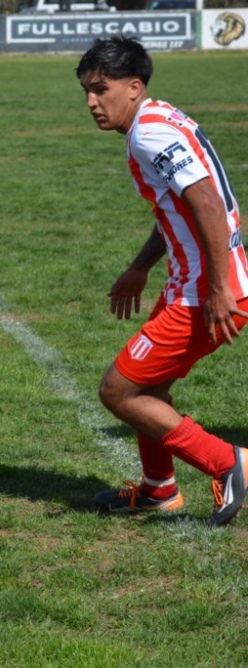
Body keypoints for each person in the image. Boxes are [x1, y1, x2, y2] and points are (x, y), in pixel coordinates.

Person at [77, 35, 248, 526]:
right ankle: (158, 490)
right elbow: (180, 205)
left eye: (101, 89)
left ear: (133, 87)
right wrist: (141, 266)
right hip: (193, 282)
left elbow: (207, 203)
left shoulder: (148, 133)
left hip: (204, 292)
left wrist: (218, 289)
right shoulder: (159, 117)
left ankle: (227, 462)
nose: (91, 102)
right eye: (87, 91)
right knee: (149, 388)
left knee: (119, 392)